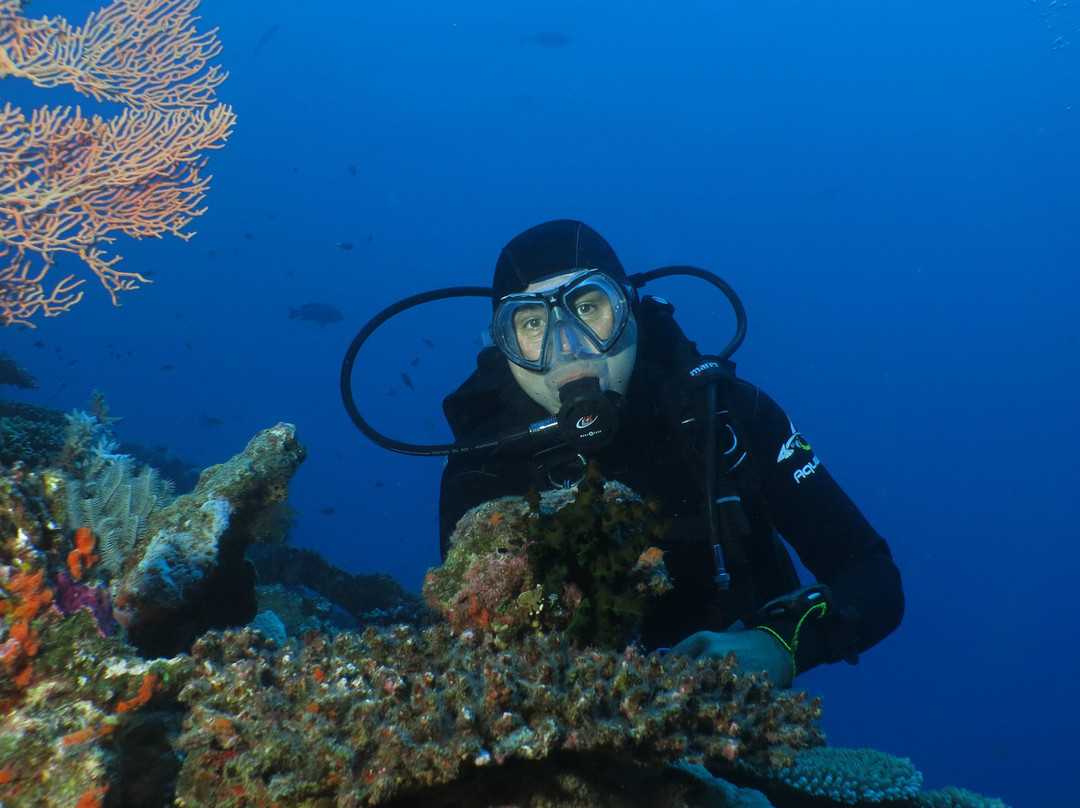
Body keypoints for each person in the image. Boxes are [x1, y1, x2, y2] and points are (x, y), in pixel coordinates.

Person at [438, 220, 903, 686]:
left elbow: (872, 575)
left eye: (587, 306)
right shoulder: (482, 469)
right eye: (533, 323)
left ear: (630, 311)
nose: (567, 347)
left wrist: (780, 644)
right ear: (504, 346)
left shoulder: (730, 416)